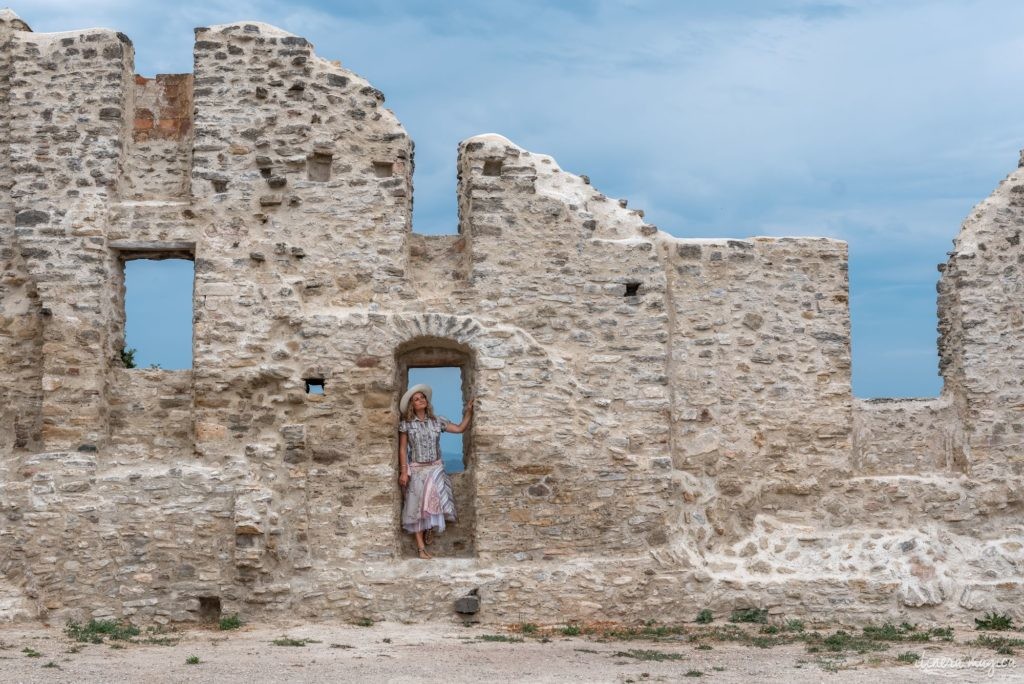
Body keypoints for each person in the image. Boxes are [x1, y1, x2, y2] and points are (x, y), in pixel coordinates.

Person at [397, 383, 474, 559]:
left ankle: (430, 528)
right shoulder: (406, 425)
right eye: (416, 399)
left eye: (422, 397)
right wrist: (403, 471)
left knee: (435, 498)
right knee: (415, 507)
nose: (421, 400)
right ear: (412, 405)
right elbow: (402, 450)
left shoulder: (437, 421)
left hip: (436, 467)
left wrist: (468, 412)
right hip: (416, 469)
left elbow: (460, 428)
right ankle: (421, 548)